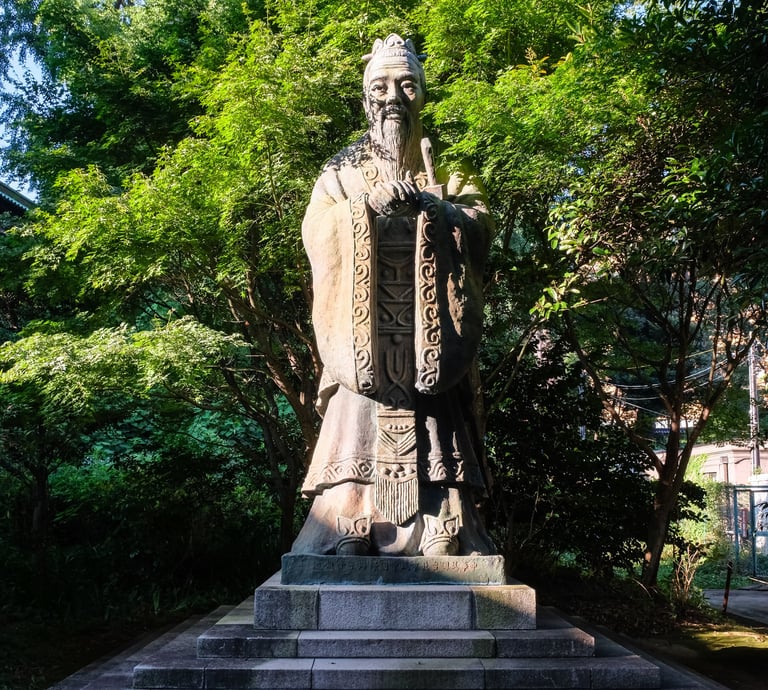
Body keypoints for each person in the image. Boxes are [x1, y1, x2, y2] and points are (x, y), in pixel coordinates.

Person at [291, 34, 495, 557]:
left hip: (432, 334)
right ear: (365, 96)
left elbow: (479, 230)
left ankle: (444, 529)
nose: (393, 97)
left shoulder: (450, 173)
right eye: (380, 86)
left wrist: (434, 207)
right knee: (355, 418)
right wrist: (366, 208)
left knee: (437, 419)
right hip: (364, 335)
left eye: (406, 84)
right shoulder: (340, 174)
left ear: (423, 94)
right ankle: (348, 525)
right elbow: (317, 232)